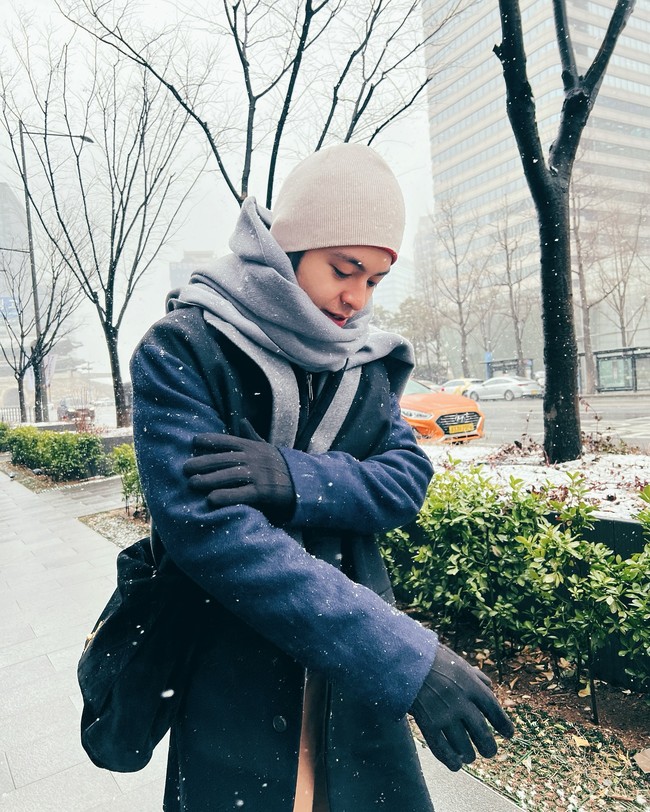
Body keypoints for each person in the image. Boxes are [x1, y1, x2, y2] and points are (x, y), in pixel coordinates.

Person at [130, 143, 514, 812]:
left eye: (376, 280)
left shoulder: (365, 362)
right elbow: (211, 536)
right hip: (231, 679)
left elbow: (406, 479)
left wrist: (295, 478)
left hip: (354, 692)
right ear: (290, 247)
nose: (356, 299)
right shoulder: (184, 349)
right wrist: (402, 657)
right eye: (344, 269)